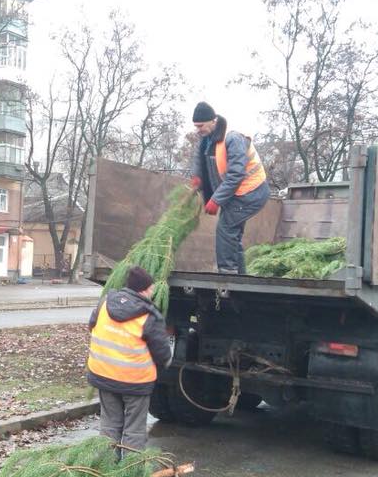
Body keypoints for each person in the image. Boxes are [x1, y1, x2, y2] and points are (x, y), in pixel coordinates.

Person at [87, 266, 172, 457]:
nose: (152, 291)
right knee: (134, 430)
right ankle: (130, 474)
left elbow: (92, 325)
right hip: (135, 383)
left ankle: (106, 467)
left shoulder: (105, 303)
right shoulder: (149, 315)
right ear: (143, 289)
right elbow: (163, 354)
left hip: (104, 375)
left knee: (109, 426)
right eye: (151, 288)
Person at [189, 101, 271, 274]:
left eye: (201, 125)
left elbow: (236, 174)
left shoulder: (233, 138)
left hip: (251, 193)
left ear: (213, 120)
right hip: (236, 194)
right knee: (233, 236)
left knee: (226, 230)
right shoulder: (208, 137)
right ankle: (240, 277)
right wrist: (197, 176)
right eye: (196, 126)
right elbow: (199, 155)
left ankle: (227, 274)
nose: (198, 130)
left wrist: (216, 200)